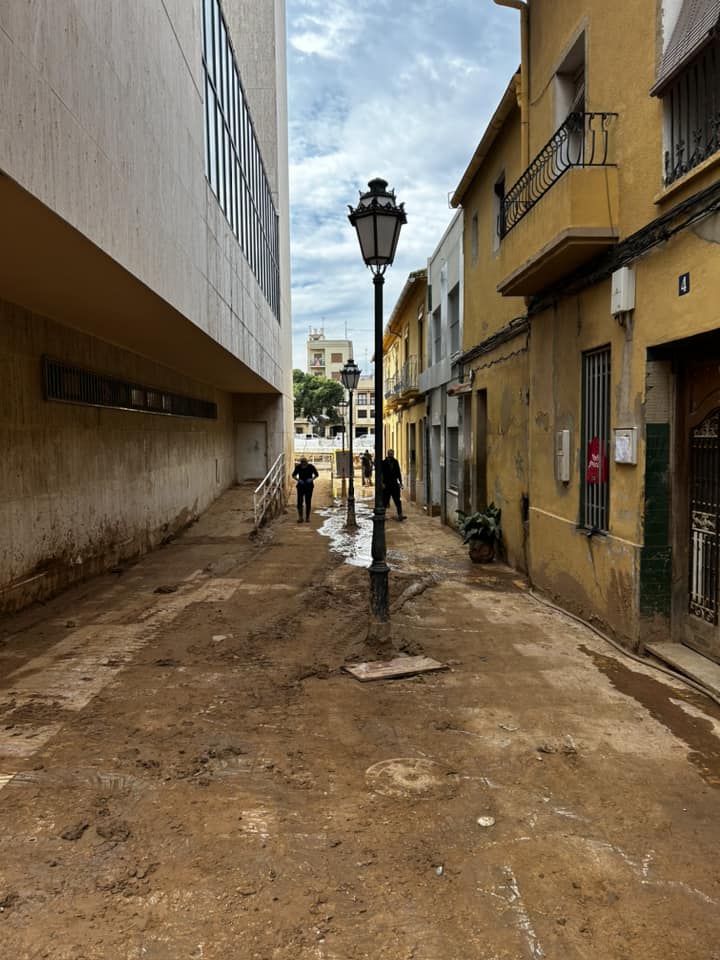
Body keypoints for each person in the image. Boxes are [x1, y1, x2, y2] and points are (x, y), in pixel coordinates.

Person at [291, 456, 319, 523]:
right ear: (301, 463)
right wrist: (298, 480)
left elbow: (317, 475)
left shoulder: (311, 467)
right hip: (301, 486)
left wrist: (311, 479)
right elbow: (293, 475)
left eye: (304, 463)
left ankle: (307, 517)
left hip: (309, 486)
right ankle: (300, 517)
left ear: (307, 462)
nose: (303, 464)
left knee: (308, 501)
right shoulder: (298, 467)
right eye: (302, 463)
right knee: (299, 502)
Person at [381, 449, 406, 520]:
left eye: (392, 454)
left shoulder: (395, 462)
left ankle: (400, 514)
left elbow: (398, 472)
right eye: (390, 454)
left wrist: (400, 482)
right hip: (386, 484)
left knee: (397, 500)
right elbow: (381, 473)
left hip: (394, 484)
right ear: (387, 454)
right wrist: (382, 483)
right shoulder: (384, 462)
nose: (391, 455)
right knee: (385, 500)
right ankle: (383, 515)